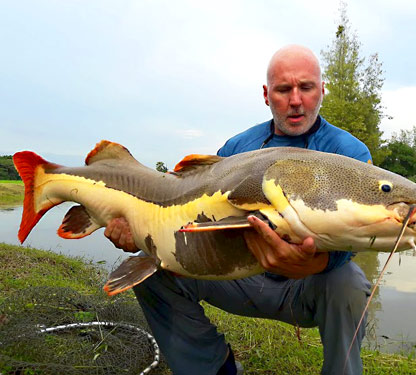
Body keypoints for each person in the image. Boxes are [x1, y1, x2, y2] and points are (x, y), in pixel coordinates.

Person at [105, 45, 372, 375]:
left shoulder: (348, 153)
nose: (295, 100)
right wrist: (145, 235)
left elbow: (356, 237)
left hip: (307, 286)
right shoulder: (236, 149)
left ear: (321, 90)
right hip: (237, 276)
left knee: (349, 282)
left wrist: (314, 262)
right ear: (266, 94)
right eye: (283, 89)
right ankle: (212, 367)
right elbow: (196, 219)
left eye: (306, 87)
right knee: (154, 270)